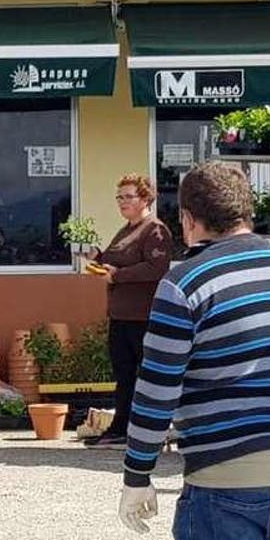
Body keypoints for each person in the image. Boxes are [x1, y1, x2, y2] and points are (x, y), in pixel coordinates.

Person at [117, 161, 270, 540]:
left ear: (187, 218)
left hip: (222, 473)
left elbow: (157, 389)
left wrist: (138, 472)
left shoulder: (183, 283)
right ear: (247, 212)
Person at [85, 174, 172, 450]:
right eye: (119, 197)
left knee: (145, 377)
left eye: (128, 197)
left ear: (145, 198)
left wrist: (118, 276)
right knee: (124, 375)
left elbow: (156, 269)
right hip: (120, 315)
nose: (122, 202)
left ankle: (147, 431)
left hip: (142, 317)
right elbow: (114, 263)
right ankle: (121, 427)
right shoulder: (126, 230)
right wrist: (97, 259)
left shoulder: (155, 230)